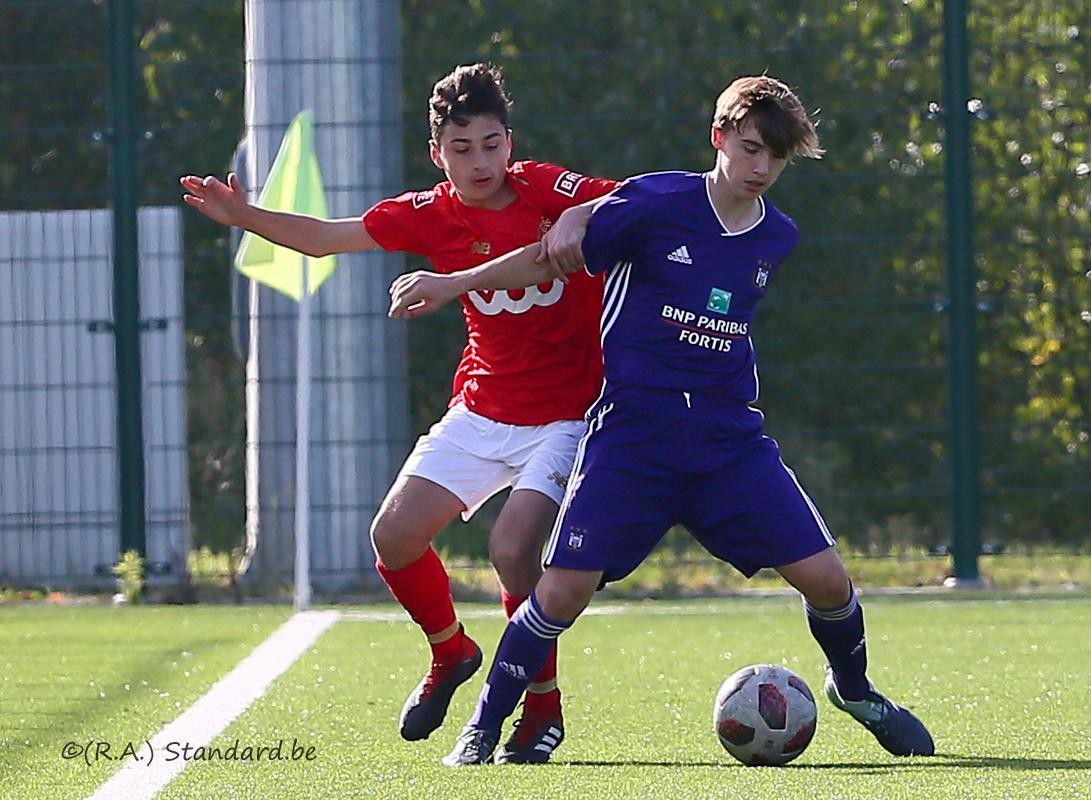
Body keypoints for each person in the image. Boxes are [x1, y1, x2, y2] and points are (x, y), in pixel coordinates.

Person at [388, 74, 936, 766]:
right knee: (559, 591)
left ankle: (855, 691)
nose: (761, 167)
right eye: (749, 148)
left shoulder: (779, 238)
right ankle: (484, 725)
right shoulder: (655, 202)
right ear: (719, 139)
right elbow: (550, 253)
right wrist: (459, 280)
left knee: (829, 581)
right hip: (632, 435)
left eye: (776, 155)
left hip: (726, 440)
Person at [181, 63, 618, 764]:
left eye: (492, 143)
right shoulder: (433, 213)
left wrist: (578, 212)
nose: (481, 160)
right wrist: (245, 216)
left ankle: (542, 707)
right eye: (462, 147)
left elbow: (629, 202)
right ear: (436, 153)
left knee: (512, 552)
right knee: (393, 536)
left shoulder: (543, 187)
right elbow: (328, 236)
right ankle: (451, 653)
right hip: (482, 409)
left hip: (568, 417)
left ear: (511, 142)